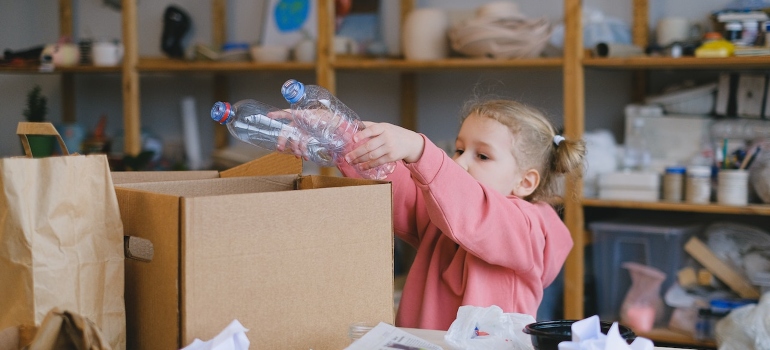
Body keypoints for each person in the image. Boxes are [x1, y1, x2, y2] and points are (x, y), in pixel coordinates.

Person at [339, 98, 586, 331]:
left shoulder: (527, 228)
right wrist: (340, 137)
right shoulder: (444, 209)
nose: (459, 163)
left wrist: (420, 150)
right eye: (459, 150)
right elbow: (398, 186)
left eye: (482, 156)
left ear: (525, 182)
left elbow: (476, 213)